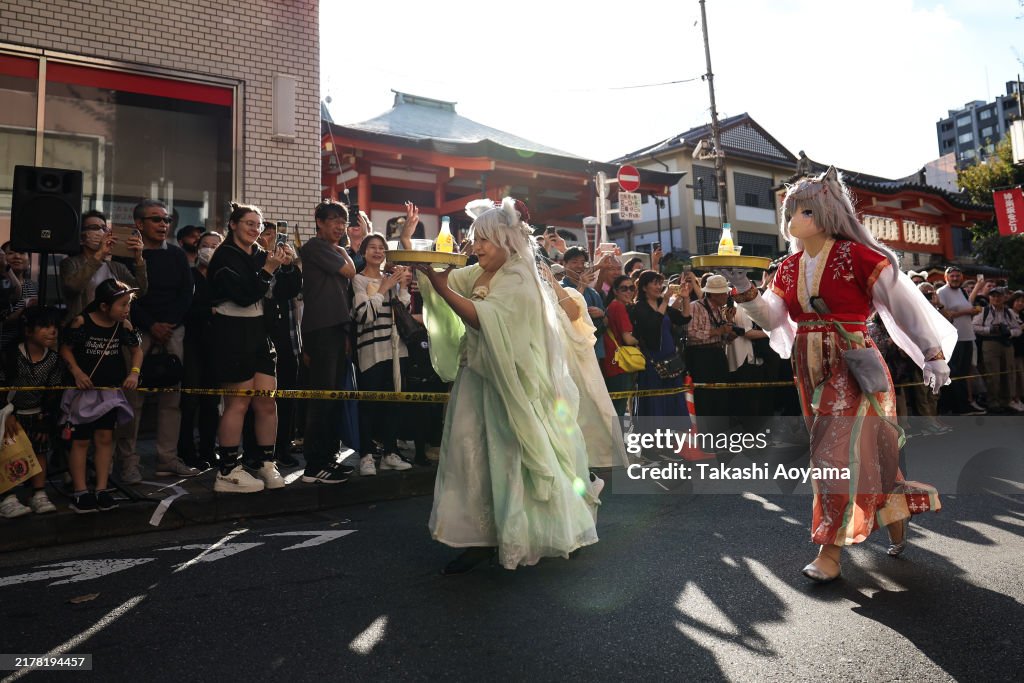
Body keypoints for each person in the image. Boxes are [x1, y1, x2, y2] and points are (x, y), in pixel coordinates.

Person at [721, 167, 955, 583]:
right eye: (792, 211)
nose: (796, 219)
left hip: (851, 362)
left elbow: (905, 306)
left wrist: (932, 354)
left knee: (831, 455)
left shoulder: (862, 257)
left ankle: (829, 552)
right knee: (859, 453)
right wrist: (747, 293)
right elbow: (775, 317)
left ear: (829, 212)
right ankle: (894, 511)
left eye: (806, 210)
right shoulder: (789, 267)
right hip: (806, 364)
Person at [414, 197, 601, 574]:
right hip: (478, 378)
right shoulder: (482, 272)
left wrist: (444, 289)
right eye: (474, 238)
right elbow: (445, 280)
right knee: (471, 459)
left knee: (517, 458)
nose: (475, 247)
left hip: (512, 383)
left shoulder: (519, 276)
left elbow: (487, 319)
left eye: (484, 240)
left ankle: (560, 528)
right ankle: (476, 538)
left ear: (506, 241)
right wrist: (417, 255)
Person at [206, 203, 299, 493]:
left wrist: (288, 267)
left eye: (258, 224)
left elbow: (286, 292)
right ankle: (228, 470)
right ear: (233, 225)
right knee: (238, 402)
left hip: (260, 333)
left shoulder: (260, 254)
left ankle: (265, 462)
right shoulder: (223, 257)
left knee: (266, 401)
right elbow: (245, 296)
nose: (255, 229)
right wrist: (270, 269)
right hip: (232, 331)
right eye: (248, 223)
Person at [115, 199, 196, 482]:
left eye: (166, 220)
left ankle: (167, 459)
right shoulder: (126, 256)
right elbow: (126, 296)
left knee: (171, 399)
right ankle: (128, 462)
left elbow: (187, 293)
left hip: (173, 330)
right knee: (132, 397)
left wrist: (168, 324)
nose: (163, 225)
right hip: (137, 330)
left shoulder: (176, 256)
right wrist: (151, 325)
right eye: (156, 220)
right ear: (139, 224)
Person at [59, 280, 143, 513]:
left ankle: (102, 489)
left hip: (109, 392)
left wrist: (134, 374)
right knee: (80, 440)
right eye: (122, 304)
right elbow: (65, 348)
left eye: (129, 304)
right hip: (82, 392)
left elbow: (137, 351)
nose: (127, 309)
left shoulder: (123, 325)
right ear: (104, 306)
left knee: (105, 438)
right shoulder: (81, 322)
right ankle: (80, 491)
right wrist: (76, 371)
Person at [299, 200, 358, 484]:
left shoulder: (335, 249)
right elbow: (350, 272)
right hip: (320, 329)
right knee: (322, 397)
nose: (339, 226)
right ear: (319, 222)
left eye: (343, 221)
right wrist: (344, 250)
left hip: (336, 328)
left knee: (333, 396)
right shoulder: (314, 247)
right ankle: (314, 464)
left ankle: (329, 458)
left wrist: (343, 249)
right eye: (333, 219)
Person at [351, 234, 414, 476]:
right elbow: (364, 316)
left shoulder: (390, 278)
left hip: (396, 351)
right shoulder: (358, 280)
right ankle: (366, 455)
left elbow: (403, 310)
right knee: (369, 404)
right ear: (364, 252)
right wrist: (384, 288)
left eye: (381, 248)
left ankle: (390, 452)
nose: (377, 252)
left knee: (393, 403)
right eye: (372, 248)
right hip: (370, 350)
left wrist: (403, 287)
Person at [0, 306, 64, 517]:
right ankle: (7, 497)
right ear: (28, 331)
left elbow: (53, 394)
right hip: (9, 413)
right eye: (45, 326)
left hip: (36, 413)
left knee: (40, 450)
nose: (52, 331)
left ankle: (38, 493)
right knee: (9, 451)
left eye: (54, 326)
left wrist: (46, 420)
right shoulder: (11, 355)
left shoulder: (53, 360)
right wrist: (6, 414)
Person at [177, 231, 223, 470]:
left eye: (215, 245)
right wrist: (210, 311)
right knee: (190, 400)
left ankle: (208, 449)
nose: (209, 249)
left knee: (211, 402)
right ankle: (185, 450)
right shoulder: (189, 275)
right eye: (205, 245)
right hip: (192, 343)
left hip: (217, 346)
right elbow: (184, 309)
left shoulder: (223, 278)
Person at [59, 211, 148, 324]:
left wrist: (139, 259)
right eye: (94, 227)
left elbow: (140, 291)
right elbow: (73, 288)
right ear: (81, 237)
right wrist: (99, 254)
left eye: (104, 228)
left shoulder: (117, 267)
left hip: (113, 330)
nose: (101, 232)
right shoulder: (70, 263)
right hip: (84, 328)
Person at [630, 270, 690, 421]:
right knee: (655, 398)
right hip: (652, 359)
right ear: (644, 287)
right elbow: (653, 325)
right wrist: (665, 301)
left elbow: (684, 318)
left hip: (670, 357)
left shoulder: (661, 304)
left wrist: (686, 297)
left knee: (672, 397)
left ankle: (670, 434)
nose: (659, 287)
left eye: (660, 283)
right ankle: (655, 436)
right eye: (655, 283)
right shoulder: (639, 307)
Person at [936, 266, 986, 415]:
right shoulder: (941, 292)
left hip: (968, 337)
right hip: (953, 339)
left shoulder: (963, 291)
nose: (955, 278)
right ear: (946, 278)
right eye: (952, 276)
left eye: (958, 276)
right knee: (955, 374)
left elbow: (967, 309)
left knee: (965, 373)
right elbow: (945, 314)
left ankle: (965, 406)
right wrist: (967, 312)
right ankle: (957, 407)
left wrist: (972, 311)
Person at [972, 286, 1022, 413]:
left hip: (1007, 343)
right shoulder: (984, 311)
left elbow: (1018, 329)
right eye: (993, 296)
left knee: (1008, 372)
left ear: (1004, 297)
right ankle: (993, 402)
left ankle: (1006, 400)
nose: (996, 298)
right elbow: (974, 327)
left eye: (999, 296)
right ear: (989, 297)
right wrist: (990, 329)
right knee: (992, 374)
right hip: (990, 343)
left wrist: (1009, 332)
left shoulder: (1009, 312)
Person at [601, 275, 641, 416]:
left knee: (615, 409)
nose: (629, 292)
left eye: (632, 288)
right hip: (619, 364)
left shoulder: (613, 305)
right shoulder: (618, 307)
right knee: (618, 409)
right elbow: (628, 339)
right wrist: (643, 339)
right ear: (615, 291)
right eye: (624, 288)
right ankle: (617, 438)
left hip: (612, 361)